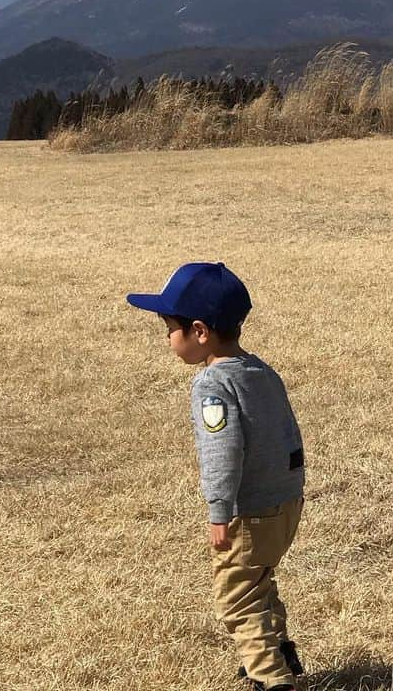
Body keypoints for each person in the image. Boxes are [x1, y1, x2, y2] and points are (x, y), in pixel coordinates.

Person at [127, 262, 306, 691]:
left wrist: (220, 510)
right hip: (286, 503)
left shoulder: (212, 385)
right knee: (259, 580)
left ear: (200, 331)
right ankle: (279, 653)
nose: (167, 338)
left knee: (238, 599)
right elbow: (288, 432)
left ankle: (273, 679)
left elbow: (222, 450)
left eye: (169, 328)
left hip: (249, 511)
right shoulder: (260, 370)